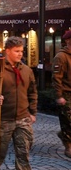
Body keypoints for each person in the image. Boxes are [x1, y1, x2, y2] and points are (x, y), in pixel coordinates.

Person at [0, 36, 37, 170]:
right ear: (8, 51)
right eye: (17, 51)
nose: (20, 54)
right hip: (2, 119)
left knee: (23, 155)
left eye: (21, 51)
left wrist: (33, 112)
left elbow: (32, 92)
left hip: (23, 118)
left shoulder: (27, 70)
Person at [52, 30, 71, 158]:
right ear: (68, 41)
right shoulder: (61, 57)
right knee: (68, 120)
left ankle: (63, 133)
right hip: (66, 93)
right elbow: (56, 78)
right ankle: (68, 145)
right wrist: (59, 96)